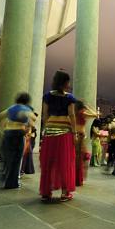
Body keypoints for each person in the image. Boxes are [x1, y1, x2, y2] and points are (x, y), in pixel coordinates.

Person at [40, 70, 77, 202]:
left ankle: (46, 193)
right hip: (65, 132)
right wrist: (74, 132)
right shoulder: (69, 98)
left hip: (49, 131)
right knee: (65, 162)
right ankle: (65, 193)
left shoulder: (47, 96)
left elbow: (45, 115)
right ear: (65, 83)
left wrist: (46, 129)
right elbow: (72, 115)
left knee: (48, 162)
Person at [0, 93, 36, 188]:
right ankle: (12, 183)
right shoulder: (26, 108)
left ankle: (7, 179)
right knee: (17, 159)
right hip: (18, 133)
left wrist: (2, 130)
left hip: (8, 133)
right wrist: (28, 126)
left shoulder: (11, 108)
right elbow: (33, 119)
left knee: (9, 158)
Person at [75, 100, 98, 186]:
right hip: (80, 135)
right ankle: (78, 178)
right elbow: (95, 115)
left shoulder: (74, 113)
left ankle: (74, 177)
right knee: (81, 157)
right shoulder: (82, 112)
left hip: (74, 135)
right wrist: (88, 107)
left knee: (75, 156)